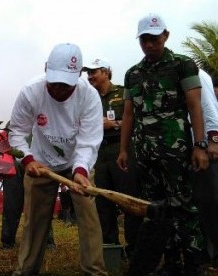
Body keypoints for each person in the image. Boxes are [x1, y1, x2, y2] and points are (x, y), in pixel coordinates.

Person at [117, 13, 208, 275]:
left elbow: (194, 106)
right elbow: (128, 114)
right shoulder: (132, 74)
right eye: (144, 39)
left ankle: (194, 264)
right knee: (158, 210)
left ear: (165, 36)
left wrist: (200, 145)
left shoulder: (183, 65)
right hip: (146, 153)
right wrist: (124, 149)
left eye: (154, 39)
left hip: (176, 151)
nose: (149, 45)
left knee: (184, 207)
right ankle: (171, 263)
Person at [9, 43, 106, 275]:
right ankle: (26, 270)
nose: (60, 88)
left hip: (77, 162)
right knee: (34, 222)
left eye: (66, 83)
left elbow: (89, 141)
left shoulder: (89, 96)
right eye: (55, 81)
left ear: (79, 75)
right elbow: (17, 133)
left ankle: (94, 271)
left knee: (89, 217)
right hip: (40, 163)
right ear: (46, 69)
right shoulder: (30, 91)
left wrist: (81, 171)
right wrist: (28, 160)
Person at [83, 57, 143, 257]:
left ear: (106, 72)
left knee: (128, 200)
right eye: (88, 72)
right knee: (103, 202)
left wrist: (114, 124)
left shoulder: (123, 92)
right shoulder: (87, 97)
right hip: (98, 153)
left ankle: (134, 248)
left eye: (94, 72)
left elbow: (134, 119)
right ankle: (111, 248)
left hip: (121, 150)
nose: (90, 76)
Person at [1, 159, 57, 250]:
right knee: (11, 205)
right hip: (13, 161)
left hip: (37, 161)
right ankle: (7, 241)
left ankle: (47, 240)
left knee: (41, 204)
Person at [193, 69, 218, 269]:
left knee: (211, 201)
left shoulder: (195, 73)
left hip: (204, 148)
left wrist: (213, 140)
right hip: (187, 149)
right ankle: (204, 253)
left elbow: (209, 107)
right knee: (200, 202)